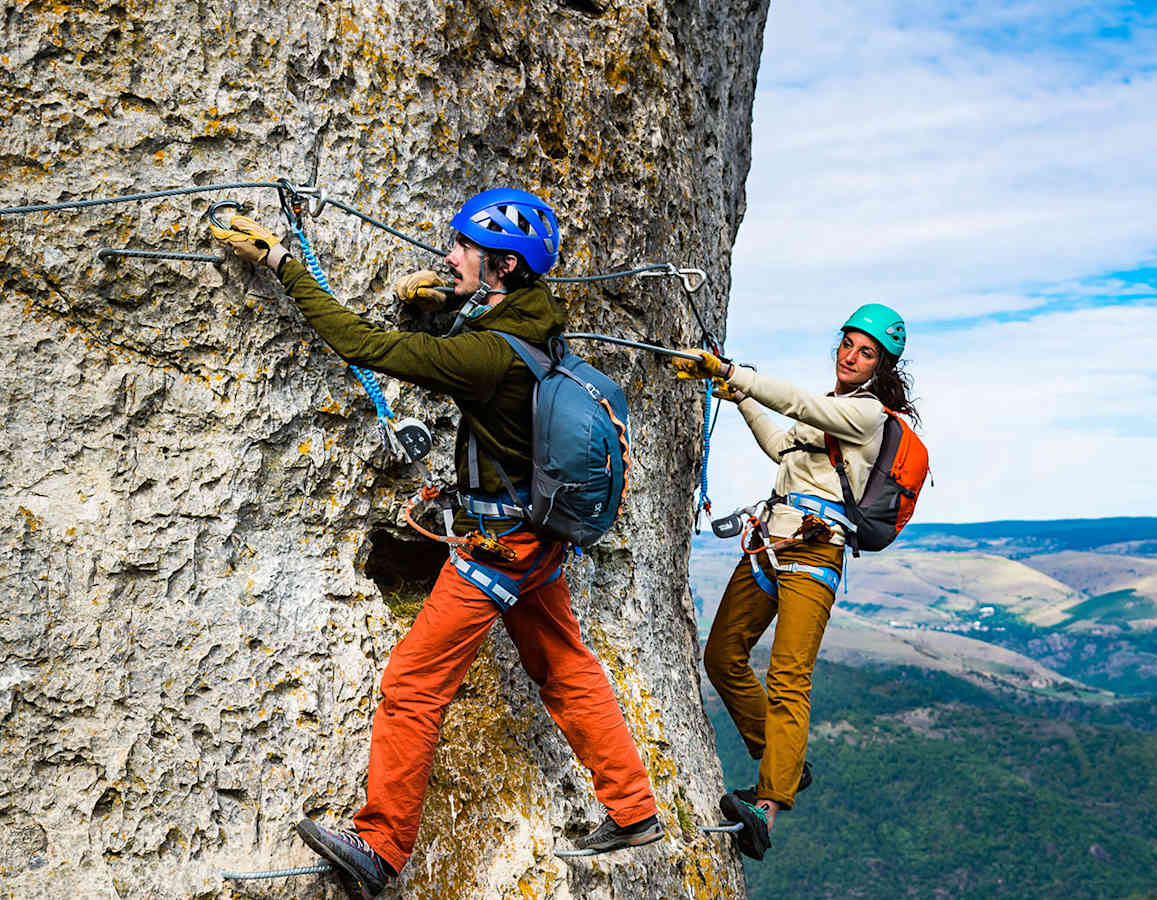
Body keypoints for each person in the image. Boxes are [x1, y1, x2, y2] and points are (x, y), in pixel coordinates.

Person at [211, 188, 661, 898]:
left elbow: (366, 346)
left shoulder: (489, 356)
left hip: (499, 547)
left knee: (414, 685)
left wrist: (284, 264)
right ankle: (635, 812)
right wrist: (445, 302)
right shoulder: (534, 320)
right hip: (537, 537)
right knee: (567, 667)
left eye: (463, 249)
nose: (448, 255)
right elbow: (481, 336)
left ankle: (380, 847)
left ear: (504, 265)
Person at [670, 304, 919, 860]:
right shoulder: (830, 413)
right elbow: (783, 448)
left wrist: (740, 376)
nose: (851, 356)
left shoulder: (869, 415)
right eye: (848, 344)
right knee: (722, 655)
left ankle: (769, 807)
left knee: (787, 679)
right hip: (772, 543)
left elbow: (796, 402)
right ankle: (783, 761)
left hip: (815, 551)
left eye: (866, 351)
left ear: (882, 365)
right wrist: (737, 399)